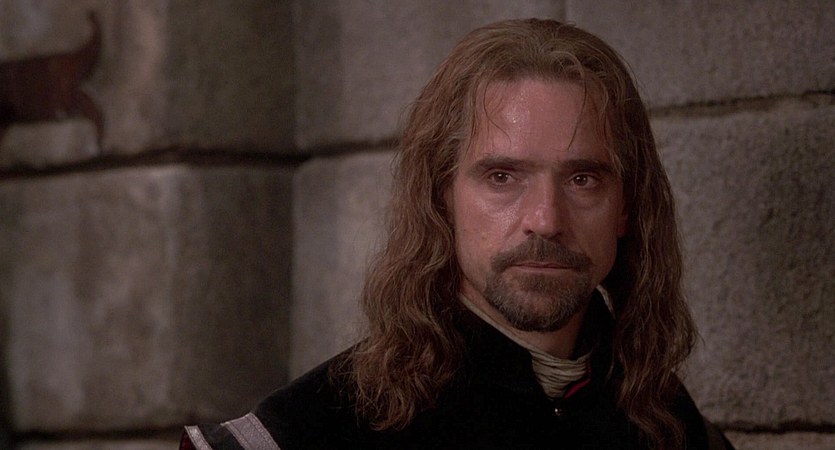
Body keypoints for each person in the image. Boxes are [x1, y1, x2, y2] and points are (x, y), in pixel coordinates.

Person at [181, 18, 734, 450]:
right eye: (502, 177)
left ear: (626, 208)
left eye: (583, 179)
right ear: (441, 199)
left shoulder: (666, 424)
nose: (546, 219)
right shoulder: (313, 431)